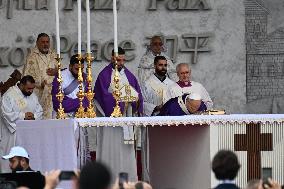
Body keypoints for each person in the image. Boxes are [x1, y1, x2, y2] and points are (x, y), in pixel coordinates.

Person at [94, 47, 143, 182]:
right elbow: (101, 96)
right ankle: (109, 178)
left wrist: (135, 101)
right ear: (112, 58)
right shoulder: (104, 75)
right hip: (111, 121)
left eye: (123, 60)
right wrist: (120, 103)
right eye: (118, 60)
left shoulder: (129, 75)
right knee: (111, 148)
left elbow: (137, 94)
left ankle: (128, 179)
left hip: (125, 121)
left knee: (125, 150)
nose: (121, 62)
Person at [0, 76, 43, 173]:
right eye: (29, 88)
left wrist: (34, 117)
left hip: (28, 135)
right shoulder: (10, 95)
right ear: (22, 85)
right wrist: (23, 116)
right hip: (12, 134)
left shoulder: (32, 95)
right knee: (11, 159)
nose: (31, 91)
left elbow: (39, 111)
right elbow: (6, 114)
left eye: (32, 88)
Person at [22, 33, 57, 119]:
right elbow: (27, 77)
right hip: (39, 94)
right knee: (40, 119)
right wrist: (41, 83)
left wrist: (56, 71)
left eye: (47, 42)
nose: (45, 44)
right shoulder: (32, 56)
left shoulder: (54, 55)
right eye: (43, 42)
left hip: (54, 94)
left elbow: (61, 71)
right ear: (37, 43)